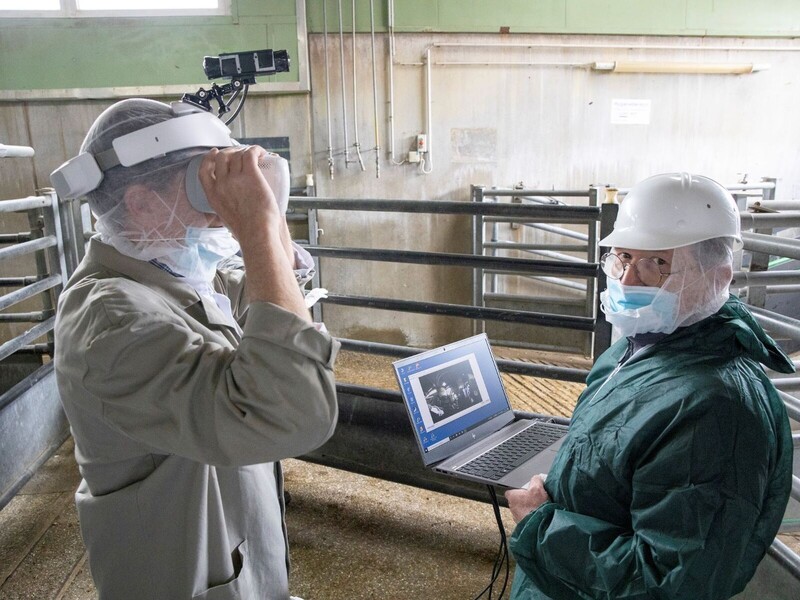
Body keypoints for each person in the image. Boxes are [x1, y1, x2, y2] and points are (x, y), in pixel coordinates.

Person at [50, 98, 339, 599]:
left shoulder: (168, 270)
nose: (220, 210)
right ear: (140, 203)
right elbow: (293, 412)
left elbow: (244, 291)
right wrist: (255, 230)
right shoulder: (112, 321)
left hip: (229, 545)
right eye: (203, 187)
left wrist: (268, 229)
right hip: (179, 574)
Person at [504, 172, 794, 599]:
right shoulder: (639, 351)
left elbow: (669, 583)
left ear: (717, 275)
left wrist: (540, 524)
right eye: (623, 257)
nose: (627, 281)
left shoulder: (716, 411)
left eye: (658, 264)